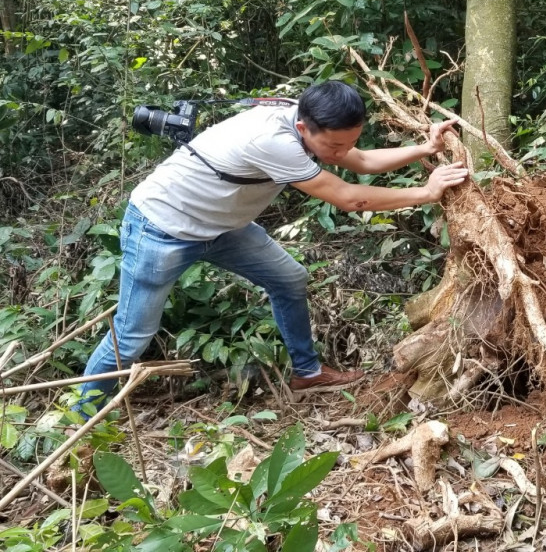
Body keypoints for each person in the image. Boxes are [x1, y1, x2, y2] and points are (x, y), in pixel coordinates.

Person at [75, 81, 467, 410]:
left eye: (345, 142)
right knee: (132, 334)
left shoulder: (310, 122)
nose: (338, 154)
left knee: (289, 279)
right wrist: (427, 192)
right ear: (302, 128)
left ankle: (306, 372)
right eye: (332, 146)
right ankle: (79, 418)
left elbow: (360, 159)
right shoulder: (273, 141)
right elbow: (351, 198)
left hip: (222, 227)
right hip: (163, 228)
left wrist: (425, 150)